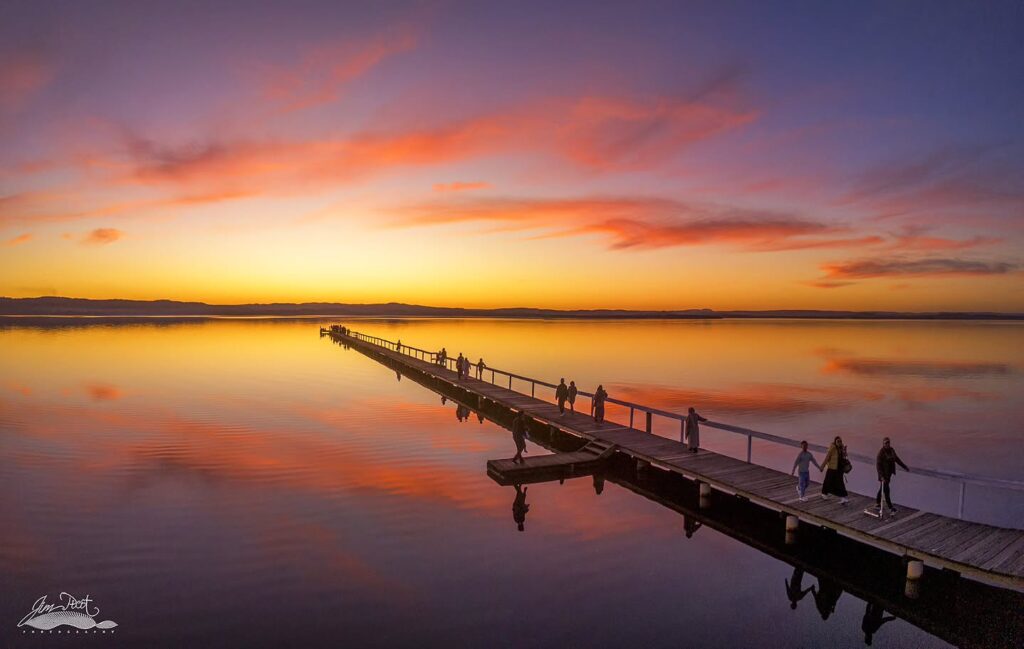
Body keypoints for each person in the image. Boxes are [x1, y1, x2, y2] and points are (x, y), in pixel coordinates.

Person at [876, 437, 909, 514]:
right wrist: (881, 476)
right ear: (883, 444)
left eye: (888, 443)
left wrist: (904, 467)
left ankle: (877, 503)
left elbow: (897, 459)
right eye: (885, 443)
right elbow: (878, 466)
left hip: (889, 474)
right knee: (886, 490)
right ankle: (890, 507)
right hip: (883, 475)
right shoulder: (881, 453)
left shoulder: (891, 450)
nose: (887, 444)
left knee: (882, 489)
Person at [821, 436, 850, 505]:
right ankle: (824, 493)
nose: (839, 443)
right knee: (827, 481)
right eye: (838, 441)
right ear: (835, 442)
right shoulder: (832, 448)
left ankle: (843, 497)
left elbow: (845, 457)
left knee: (840, 483)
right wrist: (822, 466)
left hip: (839, 469)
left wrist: (845, 450)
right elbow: (827, 458)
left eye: (840, 441)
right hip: (832, 468)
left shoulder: (842, 448)